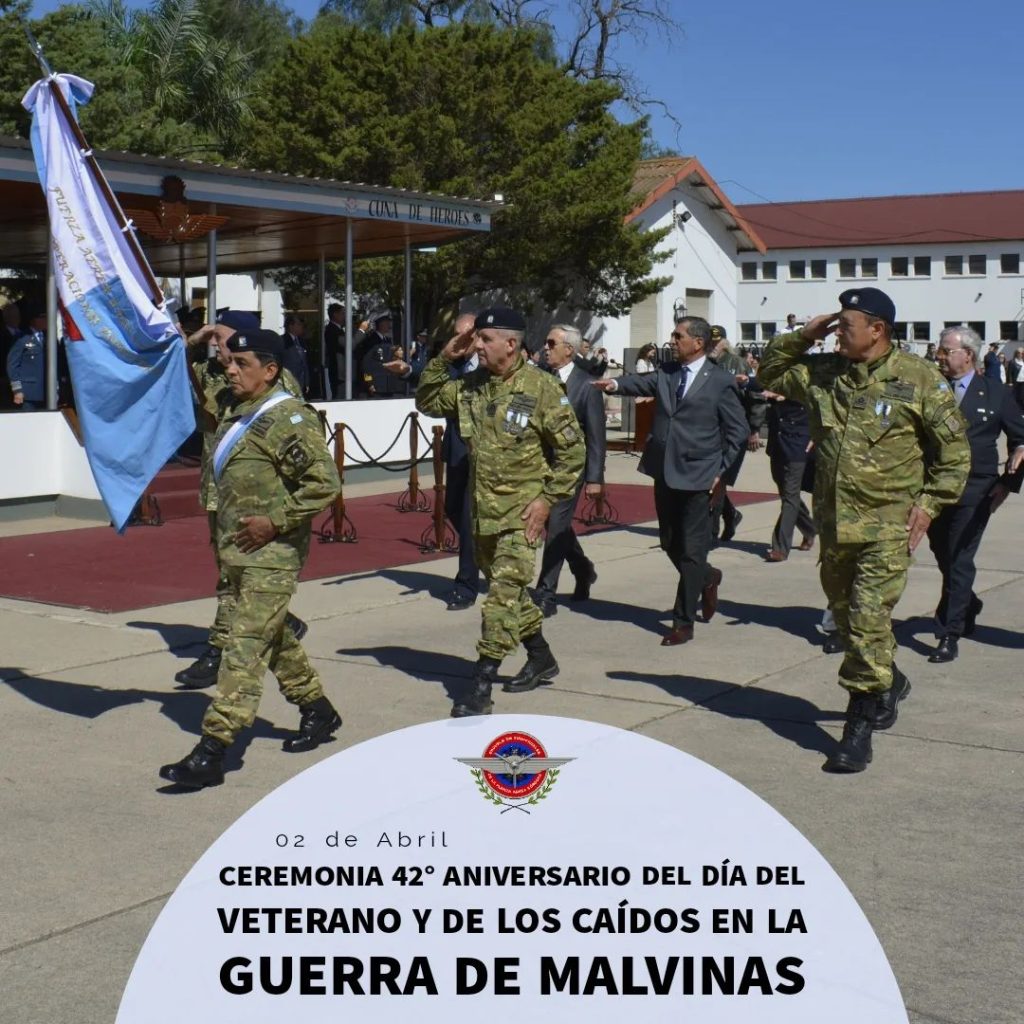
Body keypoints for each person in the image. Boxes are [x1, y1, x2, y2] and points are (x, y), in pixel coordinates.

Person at [758, 287, 970, 774]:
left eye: (845, 326)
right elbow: (766, 376)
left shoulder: (918, 379)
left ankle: (858, 726)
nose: (836, 333)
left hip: (886, 527)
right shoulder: (822, 372)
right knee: (849, 622)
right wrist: (802, 336)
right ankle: (888, 681)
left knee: (868, 619)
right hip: (835, 526)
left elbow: (955, 455)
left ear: (877, 330)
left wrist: (930, 504)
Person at [159, 328, 341, 788]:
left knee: (242, 650)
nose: (231, 370)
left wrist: (275, 521)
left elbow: (324, 484)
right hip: (238, 552)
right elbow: (195, 382)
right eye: (230, 362)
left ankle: (213, 750)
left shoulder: (288, 419)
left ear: (271, 370)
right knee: (272, 638)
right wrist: (189, 345)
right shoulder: (234, 409)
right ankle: (318, 710)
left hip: (272, 553)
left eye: (241, 365)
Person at [415, 307, 585, 717]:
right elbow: (427, 401)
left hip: (521, 516)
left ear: (510, 344)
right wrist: (445, 357)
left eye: (484, 339)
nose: (477, 345)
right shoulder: (472, 386)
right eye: (475, 339)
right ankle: (541, 658)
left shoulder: (541, 388)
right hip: (482, 515)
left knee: (499, 600)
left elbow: (572, 451)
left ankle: (481, 684)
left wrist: (547, 501)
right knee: (511, 599)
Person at [173, 311, 308, 689]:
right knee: (230, 577)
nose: (221, 347)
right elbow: (184, 369)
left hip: (256, 500)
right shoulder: (219, 380)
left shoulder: (274, 380)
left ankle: (218, 651)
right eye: (218, 342)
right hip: (220, 494)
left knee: (233, 582)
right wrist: (196, 340)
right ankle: (283, 623)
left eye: (227, 339)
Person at [595, 315, 748, 646]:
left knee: (692, 550)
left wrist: (722, 475)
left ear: (698, 342)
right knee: (669, 543)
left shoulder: (720, 380)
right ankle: (707, 578)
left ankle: (683, 621)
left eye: (678, 336)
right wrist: (613, 385)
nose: (672, 341)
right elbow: (642, 383)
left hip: (700, 475)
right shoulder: (667, 372)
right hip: (664, 470)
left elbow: (738, 432)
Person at [926, 326, 1024, 662]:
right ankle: (968, 601)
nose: (939, 355)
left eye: (946, 351)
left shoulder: (994, 392)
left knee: (959, 556)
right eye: (939, 350)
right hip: (935, 486)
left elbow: (1020, 436)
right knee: (941, 551)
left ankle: (948, 632)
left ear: (967, 354)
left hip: (976, 487)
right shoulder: (930, 388)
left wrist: (1008, 482)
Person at [384, 313, 483, 610]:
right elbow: (428, 376)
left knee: (467, 519)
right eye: (457, 335)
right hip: (457, 450)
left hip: (486, 456)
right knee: (453, 508)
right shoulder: (453, 364)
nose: (461, 341)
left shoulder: (492, 366)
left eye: (467, 335)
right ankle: (479, 551)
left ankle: (466, 585)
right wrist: (405, 371)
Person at [533, 324, 606, 616]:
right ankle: (583, 568)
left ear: (569, 350)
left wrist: (595, 478)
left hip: (570, 469)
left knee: (555, 528)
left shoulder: (586, 385)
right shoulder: (538, 380)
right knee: (555, 527)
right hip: (539, 468)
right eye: (546, 342)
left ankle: (545, 594)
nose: (546, 348)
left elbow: (596, 435)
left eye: (552, 343)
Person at [708, 324, 765, 543]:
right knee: (709, 480)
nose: (713, 345)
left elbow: (756, 397)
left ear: (725, 341)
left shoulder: (737, 363)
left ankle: (711, 531)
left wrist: (754, 429)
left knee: (720, 479)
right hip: (708, 428)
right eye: (710, 341)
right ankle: (730, 514)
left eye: (717, 341)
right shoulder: (703, 363)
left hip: (731, 429)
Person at [764, 395, 816, 561]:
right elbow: (756, 385)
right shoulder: (779, 375)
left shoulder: (807, 377)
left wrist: (784, 396)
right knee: (786, 493)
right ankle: (810, 528)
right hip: (777, 443)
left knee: (790, 496)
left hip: (798, 444)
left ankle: (780, 547)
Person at [7, 308, 46, 410]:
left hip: (46, 391)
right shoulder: (22, 338)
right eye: (42, 317)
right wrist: (17, 390)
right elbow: (12, 365)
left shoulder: (48, 337)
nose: (45, 320)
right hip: (28, 392)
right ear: (33, 320)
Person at [359, 312, 400, 397]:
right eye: (387, 322)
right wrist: (369, 383)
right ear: (381, 324)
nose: (389, 325)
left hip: (388, 386)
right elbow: (366, 365)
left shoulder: (388, 340)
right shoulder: (371, 341)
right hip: (376, 386)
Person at [323, 302, 347, 399]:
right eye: (342, 313)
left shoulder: (339, 329)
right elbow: (346, 345)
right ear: (335, 314)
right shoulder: (332, 330)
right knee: (339, 395)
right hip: (337, 369)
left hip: (340, 369)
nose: (344, 316)